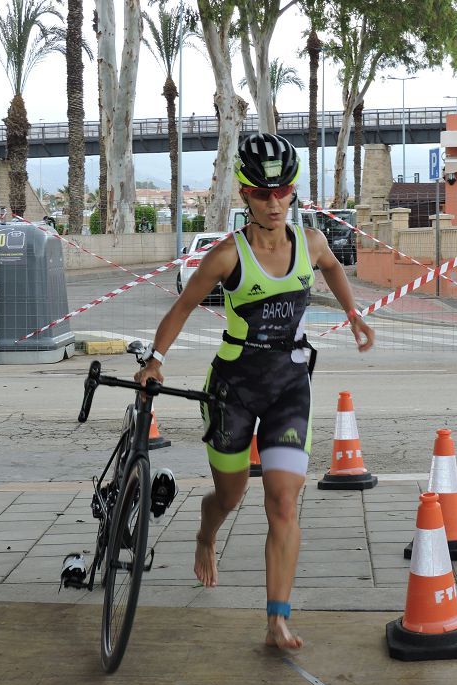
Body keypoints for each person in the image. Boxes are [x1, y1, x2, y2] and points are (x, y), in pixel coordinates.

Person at [135, 132, 375, 648]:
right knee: (232, 492)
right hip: (234, 388)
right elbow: (180, 310)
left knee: (283, 502)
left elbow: (332, 267)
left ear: (292, 192)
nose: (273, 202)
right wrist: (155, 361)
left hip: (289, 384)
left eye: (282, 191)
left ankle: (276, 618)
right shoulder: (226, 256)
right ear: (244, 193)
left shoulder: (309, 242)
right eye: (262, 193)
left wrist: (354, 314)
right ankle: (206, 533)